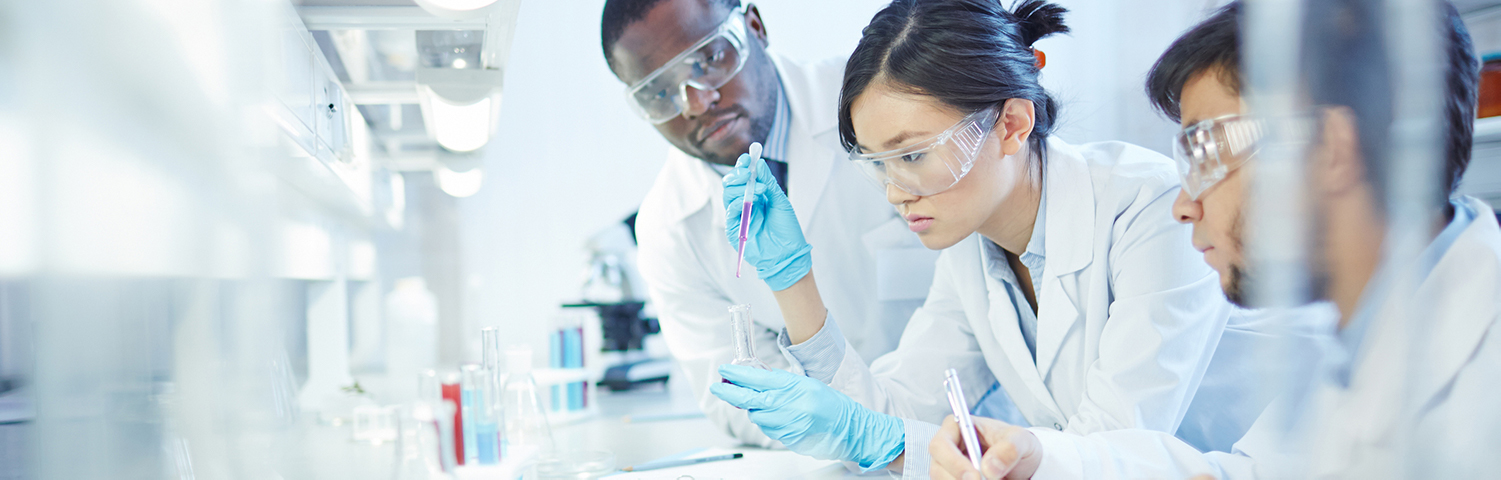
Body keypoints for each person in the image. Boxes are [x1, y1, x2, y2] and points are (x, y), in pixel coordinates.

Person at [926, 2, 1501, 478]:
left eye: (1205, 152)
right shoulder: (1364, 343)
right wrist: (1040, 457)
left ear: (1328, 149)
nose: (1183, 204)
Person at [709, 0, 1276, 475]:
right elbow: (885, 414)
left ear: (1011, 124)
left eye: (911, 155)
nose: (894, 191)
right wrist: (794, 283)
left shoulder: (1151, 211)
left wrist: (880, 437)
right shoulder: (973, 243)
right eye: (877, 163)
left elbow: (1111, 445)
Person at [601, 0, 939, 446]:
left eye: (708, 58)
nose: (697, 101)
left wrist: (888, 428)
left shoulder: (881, 102)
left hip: (976, 429)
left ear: (755, 27)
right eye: (659, 92)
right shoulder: (667, 228)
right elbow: (736, 391)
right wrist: (844, 430)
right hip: (829, 463)